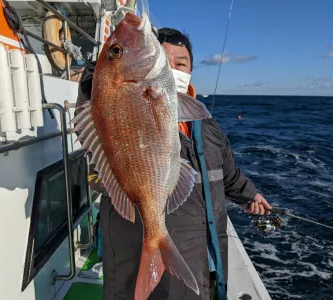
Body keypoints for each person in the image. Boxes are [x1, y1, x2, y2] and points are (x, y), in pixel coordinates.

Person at [76, 27, 272, 300]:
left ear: (191, 69)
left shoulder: (207, 124)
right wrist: (95, 77)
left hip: (201, 261)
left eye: (181, 63)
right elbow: (96, 111)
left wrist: (249, 194)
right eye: (166, 61)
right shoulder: (115, 93)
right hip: (134, 262)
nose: (173, 68)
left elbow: (226, 173)